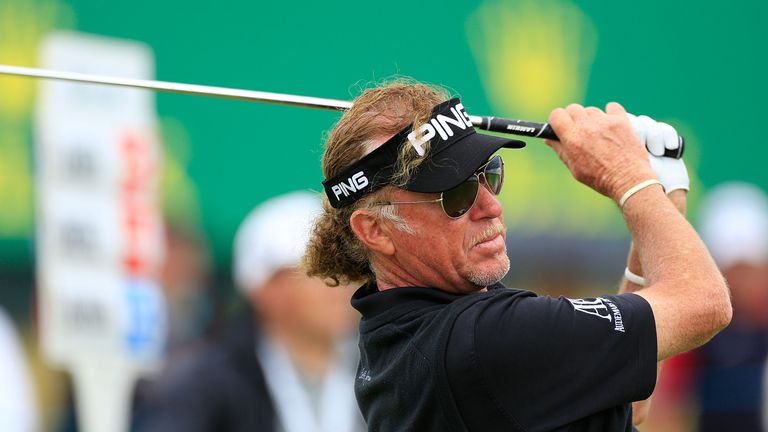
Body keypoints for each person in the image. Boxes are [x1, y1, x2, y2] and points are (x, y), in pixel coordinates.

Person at [303, 80, 732, 431]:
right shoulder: (482, 340)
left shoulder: (398, 330)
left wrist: (661, 198)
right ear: (375, 230)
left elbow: (624, 396)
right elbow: (703, 303)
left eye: (489, 175)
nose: (491, 206)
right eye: (456, 194)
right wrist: (630, 178)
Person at [138, 191, 364, 432]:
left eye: (347, 266)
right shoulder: (206, 384)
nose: (341, 282)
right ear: (266, 291)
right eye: (320, 271)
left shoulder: (384, 365)